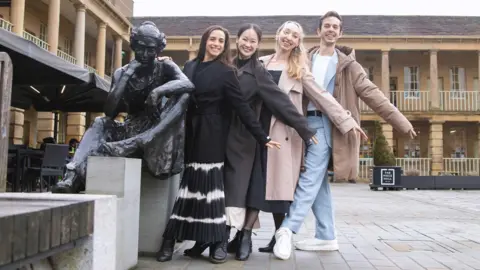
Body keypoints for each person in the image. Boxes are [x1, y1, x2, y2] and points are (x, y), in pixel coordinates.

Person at [273, 12, 416, 260]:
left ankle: (287, 229)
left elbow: (372, 93)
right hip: (302, 124)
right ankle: (326, 235)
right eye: (326, 26)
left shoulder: (349, 66)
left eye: (335, 27)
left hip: (330, 126)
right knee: (317, 181)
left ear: (340, 33)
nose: (330, 29)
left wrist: (399, 120)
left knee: (308, 177)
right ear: (318, 31)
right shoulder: (304, 58)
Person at [181, 23, 317, 261]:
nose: (247, 44)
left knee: (234, 189)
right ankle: (207, 236)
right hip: (215, 133)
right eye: (244, 39)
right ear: (237, 40)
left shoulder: (258, 72)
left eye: (253, 41)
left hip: (243, 136)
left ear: (258, 44)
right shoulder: (225, 64)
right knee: (213, 188)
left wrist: (304, 128)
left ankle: (228, 238)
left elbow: (279, 101)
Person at [156, 25, 281, 264]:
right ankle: (171, 240)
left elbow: (242, 108)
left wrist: (262, 136)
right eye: (212, 39)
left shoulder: (226, 71)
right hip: (190, 133)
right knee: (188, 189)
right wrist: (163, 64)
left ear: (225, 46)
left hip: (214, 134)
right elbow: (175, 91)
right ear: (205, 41)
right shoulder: (189, 67)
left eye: (220, 41)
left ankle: (216, 243)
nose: (216, 43)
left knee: (212, 193)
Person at [245, 21, 364, 256]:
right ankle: (244, 237)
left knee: (281, 187)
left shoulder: (299, 68)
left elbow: (321, 96)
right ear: (278, 34)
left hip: (284, 134)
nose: (289, 37)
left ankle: (280, 235)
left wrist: (347, 120)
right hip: (256, 131)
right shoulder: (259, 62)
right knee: (254, 182)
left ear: (299, 42)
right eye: (286, 32)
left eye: (295, 35)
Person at [51, 21, 194, 194]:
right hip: (130, 131)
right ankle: (71, 178)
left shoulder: (165, 67)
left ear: (158, 50)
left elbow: (188, 84)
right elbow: (110, 112)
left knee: (184, 94)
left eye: (151, 49)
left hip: (156, 131)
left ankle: (144, 139)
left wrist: (158, 91)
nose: (145, 54)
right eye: (140, 48)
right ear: (133, 45)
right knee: (99, 122)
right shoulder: (122, 72)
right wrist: (126, 76)